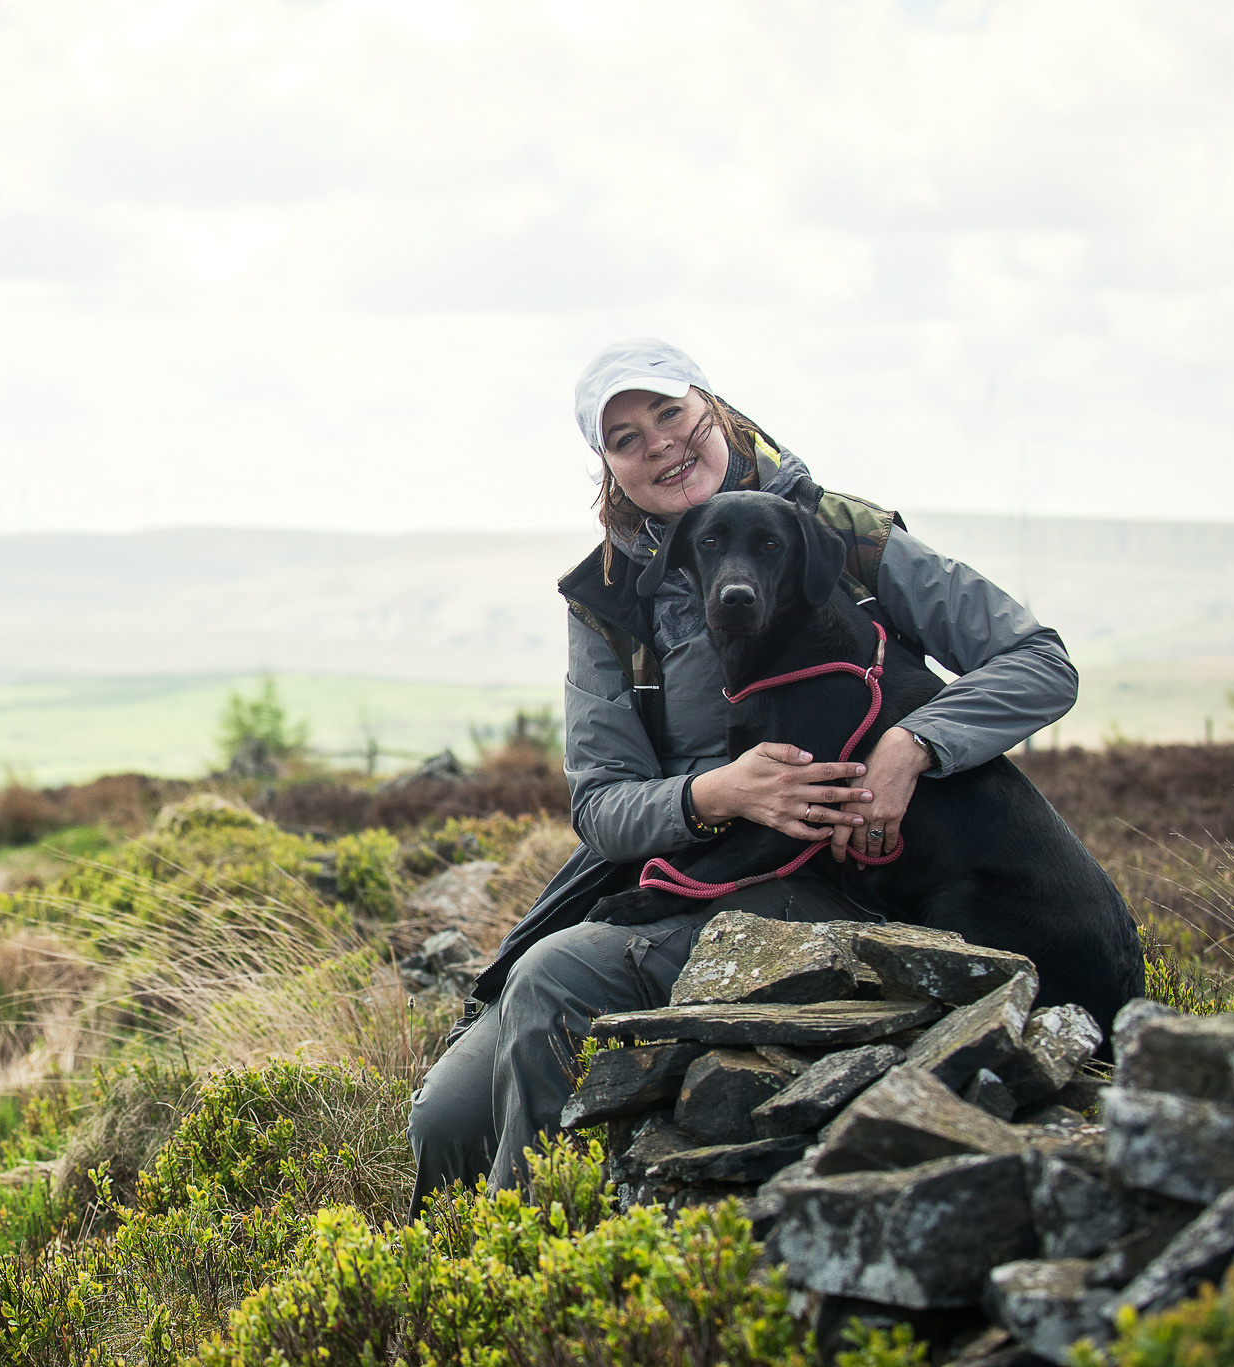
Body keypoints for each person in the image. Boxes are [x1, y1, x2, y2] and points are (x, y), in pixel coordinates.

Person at [406, 338, 1078, 1214]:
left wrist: (913, 743)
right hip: (673, 865)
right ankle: (429, 1290)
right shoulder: (610, 599)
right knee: (445, 1119)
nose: (658, 444)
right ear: (606, 465)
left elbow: (1039, 663)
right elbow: (602, 805)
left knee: (557, 978)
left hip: (827, 878)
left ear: (711, 409)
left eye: (669, 413)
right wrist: (717, 792)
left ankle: (521, 1273)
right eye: (624, 437)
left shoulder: (843, 534)